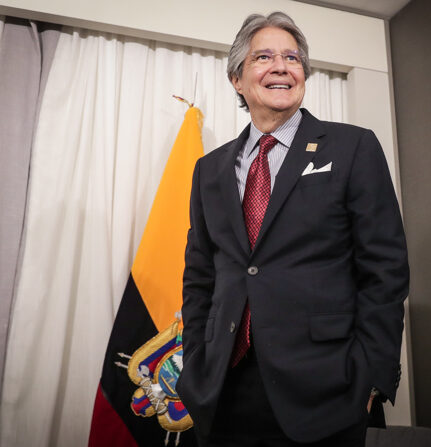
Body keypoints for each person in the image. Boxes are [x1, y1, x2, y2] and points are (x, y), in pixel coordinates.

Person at [176, 11, 409, 447]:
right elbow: (201, 276)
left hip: (326, 390)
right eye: (263, 56)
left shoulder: (352, 146)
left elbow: (386, 269)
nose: (282, 66)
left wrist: (371, 376)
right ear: (237, 79)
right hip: (222, 388)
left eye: (293, 57)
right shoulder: (209, 170)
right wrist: (195, 366)